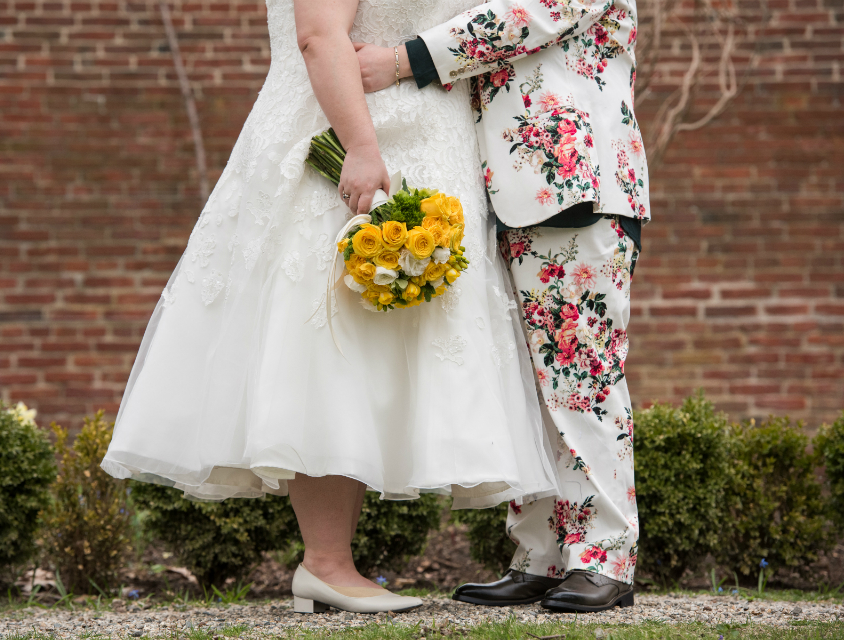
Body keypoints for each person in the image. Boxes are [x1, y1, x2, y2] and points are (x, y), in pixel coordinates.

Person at [101, 0, 562, 615]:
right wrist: (362, 147)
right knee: (329, 347)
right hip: (348, 144)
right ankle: (324, 562)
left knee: (367, 353)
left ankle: (331, 564)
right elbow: (319, 36)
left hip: (429, 148)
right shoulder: (358, 145)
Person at [355, 0, 649, 614]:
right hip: (505, 189)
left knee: (581, 375)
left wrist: (406, 60)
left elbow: (531, 13)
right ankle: (539, 555)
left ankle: (603, 558)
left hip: (578, 179)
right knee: (526, 382)